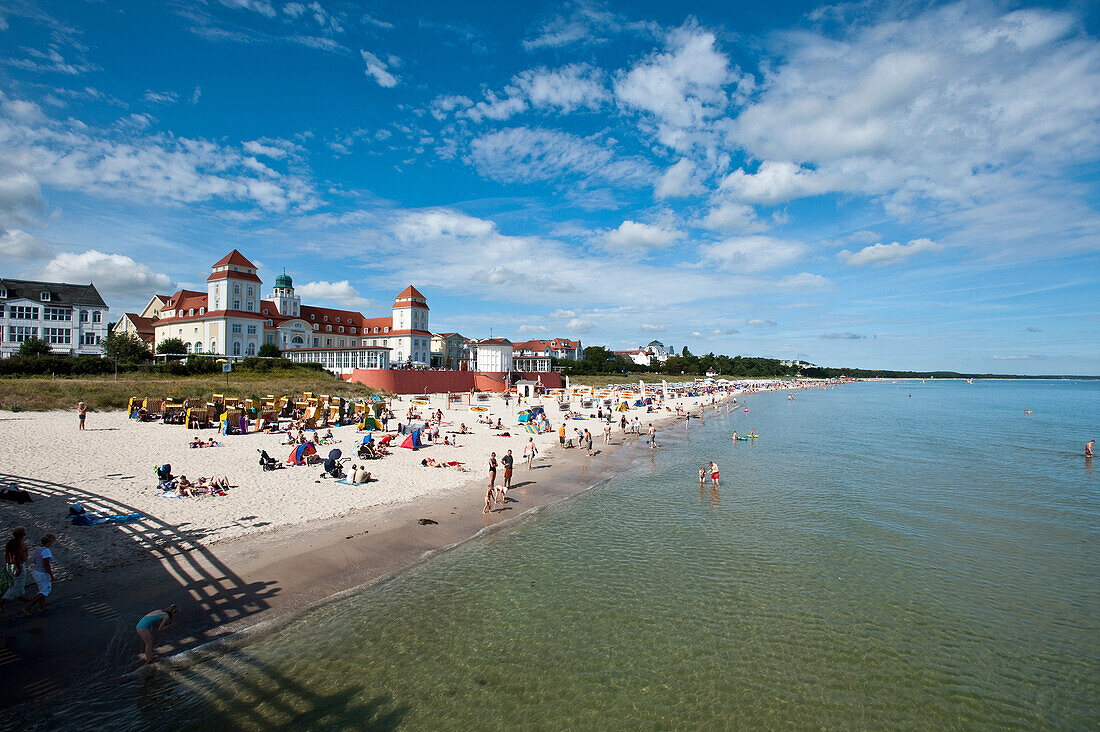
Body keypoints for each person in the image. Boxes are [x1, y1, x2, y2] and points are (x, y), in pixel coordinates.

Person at [23, 534, 57, 615]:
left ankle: (42, 606)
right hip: (42, 573)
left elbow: (36, 561)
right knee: (45, 591)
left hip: (37, 571)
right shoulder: (46, 551)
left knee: (42, 589)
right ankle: (27, 607)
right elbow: (46, 565)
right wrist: (51, 575)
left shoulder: (39, 549)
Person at [1, 527, 29, 610]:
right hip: (18, 565)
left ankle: (20, 597)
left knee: (19, 582)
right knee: (16, 585)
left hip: (11, 565)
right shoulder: (18, 543)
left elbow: (7, 555)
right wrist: (18, 569)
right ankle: (2, 602)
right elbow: (16, 556)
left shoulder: (11, 542)